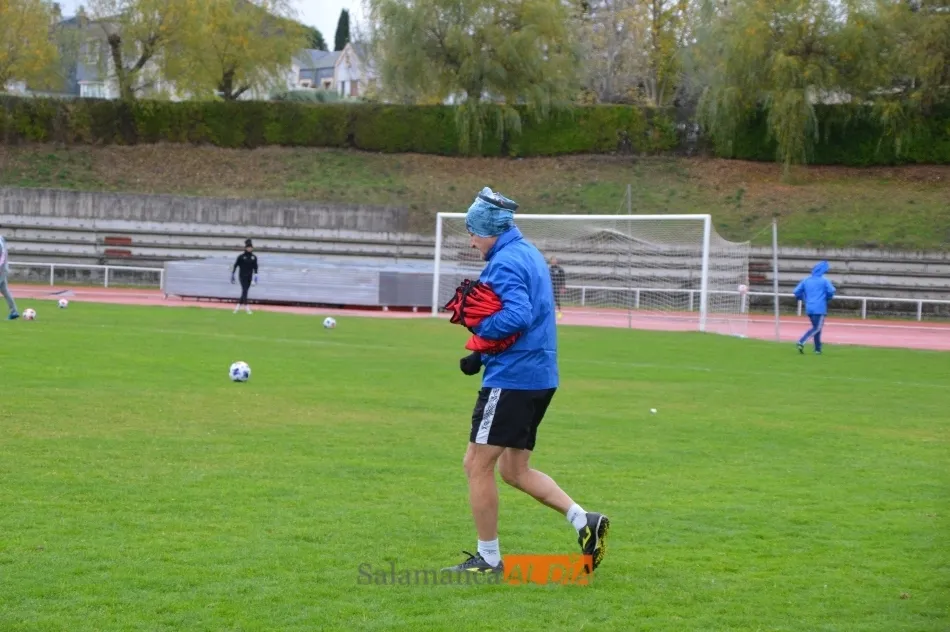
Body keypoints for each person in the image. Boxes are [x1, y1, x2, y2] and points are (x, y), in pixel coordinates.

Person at [443, 187, 610, 576]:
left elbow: (516, 317)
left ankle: (488, 559)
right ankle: (584, 520)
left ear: (489, 230)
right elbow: (528, 317)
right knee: (514, 470)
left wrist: (480, 327)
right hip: (539, 375)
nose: (471, 241)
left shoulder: (503, 263)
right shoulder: (529, 253)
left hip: (514, 377)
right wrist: (481, 353)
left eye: (473, 232)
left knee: (476, 464)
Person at [794, 260, 836, 354]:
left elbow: (796, 291)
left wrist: (803, 298)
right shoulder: (824, 280)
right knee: (817, 328)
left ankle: (818, 349)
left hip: (809, 307)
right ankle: (802, 341)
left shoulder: (806, 280)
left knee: (816, 328)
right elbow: (831, 291)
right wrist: (827, 298)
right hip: (820, 308)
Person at [231, 239, 259, 314]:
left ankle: (238, 306)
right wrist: (233, 274)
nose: (250, 249)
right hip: (242, 276)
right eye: (248, 247)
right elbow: (235, 265)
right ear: (246, 248)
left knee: (245, 291)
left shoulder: (254, 257)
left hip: (249, 276)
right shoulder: (241, 256)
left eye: (251, 247)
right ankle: (247, 307)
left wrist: (255, 276)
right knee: (245, 290)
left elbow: (255, 267)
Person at [0, 231, 20, 320]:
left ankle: (14, 311)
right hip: (3, 269)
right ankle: (14, 311)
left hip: (1, 269)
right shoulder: (1, 239)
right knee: (5, 291)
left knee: (5, 290)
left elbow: (2, 257)